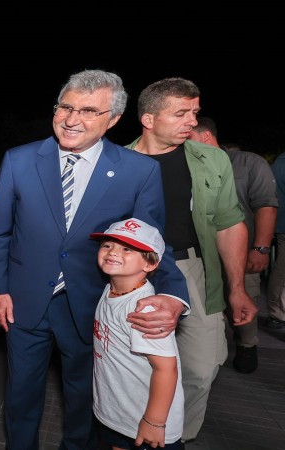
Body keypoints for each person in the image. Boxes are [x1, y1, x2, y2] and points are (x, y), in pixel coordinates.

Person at [0, 69, 189, 450]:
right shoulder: (19, 160)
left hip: (91, 305)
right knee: (21, 394)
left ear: (113, 119)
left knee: (84, 398)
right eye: (65, 107)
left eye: (89, 111)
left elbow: (153, 244)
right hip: (23, 301)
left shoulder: (138, 171)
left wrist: (174, 296)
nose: (72, 119)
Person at [125, 77, 258, 444]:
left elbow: (229, 224)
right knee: (136, 366)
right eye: (181, 113)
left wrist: (237, 289)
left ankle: (177, 438)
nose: (192, 122)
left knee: (202, 366)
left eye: (195, 112)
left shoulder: (212, 159)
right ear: (149, 119)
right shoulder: (118, 162)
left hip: (193, 268)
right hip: (135, 274)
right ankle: (135, 433)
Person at [189, 117, 277, 374]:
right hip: (201, 252)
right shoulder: (188, 163)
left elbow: (266, 206)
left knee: (243, 295)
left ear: (205, 136)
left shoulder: (249, 163)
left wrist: (260, 248)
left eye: (189, 137)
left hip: (241, 249)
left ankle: (247, 344)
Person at [91, 218, 184, 450]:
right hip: (119, 415)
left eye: (127, 249)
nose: (113, 252)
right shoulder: (111, 288)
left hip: (146, 423)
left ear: (151, 264)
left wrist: (154, 421)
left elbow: (166, 369)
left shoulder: (145, 310)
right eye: (107, 245)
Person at [266, 152, 285, 330]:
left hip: (280, 223)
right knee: (281, 270)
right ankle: (276, 312)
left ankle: (277, 311)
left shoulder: (276, 164)